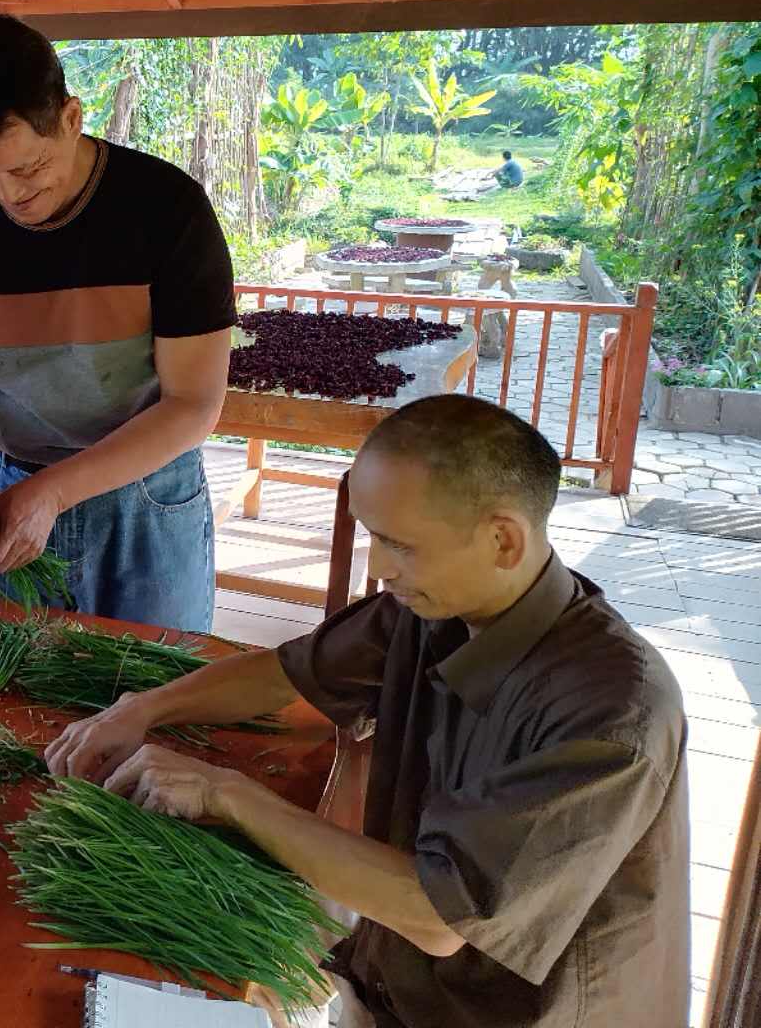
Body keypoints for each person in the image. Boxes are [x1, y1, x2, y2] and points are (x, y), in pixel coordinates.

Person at [46, 395, 688, 1028]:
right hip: (393, 978)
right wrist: (142, 708)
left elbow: (438, 916)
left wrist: (223, 791)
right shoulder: (438, 606)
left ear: (503, 540)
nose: (377, 567)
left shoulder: (611, 716)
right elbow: (287, 672)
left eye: (397, 544)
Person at [0, 14, 235, 631]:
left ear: (71, 118)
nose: (9, 195)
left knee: (155, 679)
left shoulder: (168, 211)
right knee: (3, 679)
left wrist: (57, 490)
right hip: (6, 486)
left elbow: (194, 404)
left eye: (27, 168)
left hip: (146, 493)